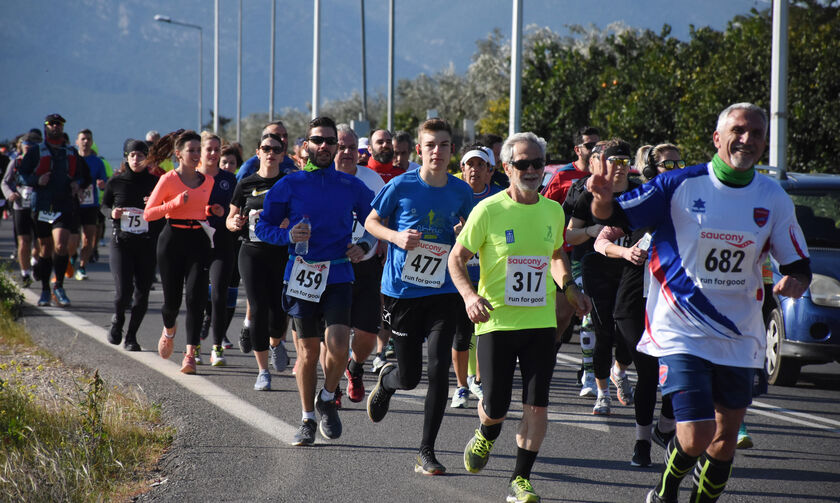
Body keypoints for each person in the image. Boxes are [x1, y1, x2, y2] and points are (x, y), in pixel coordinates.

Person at [590, 103, 811, 503]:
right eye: (738, 130)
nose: (747, 139)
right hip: (681, 329)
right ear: (717, 138)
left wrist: (795, 281)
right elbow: (618, 217)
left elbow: (796, 264)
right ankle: (665, 490)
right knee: (695, 434)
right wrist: (603, 200)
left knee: (725, 441)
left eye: (757, 133)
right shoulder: (679, 185)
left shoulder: (773, 197)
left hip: (740, 333)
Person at [449, 131, 591, 503]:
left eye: (537, 163)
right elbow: (456, 258)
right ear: (507, 168)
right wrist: (468, 296)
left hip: (540, 323)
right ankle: (485, 432)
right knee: (495, 406)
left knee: (537, 404)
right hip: (496, 321)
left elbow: (557, 254)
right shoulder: (489, 210)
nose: (531, 170)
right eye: (523, 164)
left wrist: (570, 288)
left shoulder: (552, 210)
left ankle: (520, 479)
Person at [256, 116, 376, 446]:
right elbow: (262, 227)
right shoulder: (289, 185)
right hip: (301, 274)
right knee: (308, 355)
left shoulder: (351, 186)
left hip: (338, 272)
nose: (324, 146)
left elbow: (375, 221)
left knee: (338, 346)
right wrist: (286, 234)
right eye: (317, 140)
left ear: (338, 146)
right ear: (305, 146)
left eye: (329, 141)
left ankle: (328, 396)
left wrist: (365, 245)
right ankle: (308, 418)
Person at [364, 117, 474, 475]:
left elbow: (472, 239)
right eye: (431, 146)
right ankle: (389, 380)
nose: (437, 152)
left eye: (444, 145)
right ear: (419, 150)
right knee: (410, 377)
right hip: (404, 291)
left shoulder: (461, 192)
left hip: (445, 290)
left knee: (439, 367)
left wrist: (463, 235)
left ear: (451, 151)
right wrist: (395, 238)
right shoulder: (400, 185)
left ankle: (426, 451)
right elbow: (371, 222)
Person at [592, 143, 683, 467]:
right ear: (650, 170)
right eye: (665, 164)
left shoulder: (687, 207)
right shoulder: (640, 205)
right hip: (634, 303)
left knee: (676, 373)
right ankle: (642, 443)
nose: (672, 169)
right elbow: (601, 241)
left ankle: (665, 427)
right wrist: (625, 252)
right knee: (647, 373)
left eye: (677, 163)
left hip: (673, 305)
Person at [569, 139, 640, 415]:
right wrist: (592, 231)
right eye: (614, 161)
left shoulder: (638, 192)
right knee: (603, 332)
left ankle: (619, 370)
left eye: (625, 161)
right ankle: (602, 393)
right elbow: (569, 234)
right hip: (597, 268)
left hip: (630, 269)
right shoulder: (590, 194)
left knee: (628, 336)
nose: (620, 167)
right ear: (603, 162)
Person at [144, 130, 214, 375]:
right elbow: (149, 214)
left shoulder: (208, 181)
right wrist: (174, 204)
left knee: (196, 300)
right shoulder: (168, 180)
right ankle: (169, 330)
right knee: (172, 302)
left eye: (198, 150)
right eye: (191, 150)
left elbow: (199, 206)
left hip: (199, 240)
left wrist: (209, 208)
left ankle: (190, 355)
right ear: (178, 154)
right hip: (172, 239)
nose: (196, 155)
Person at [227, 132, 291, 389]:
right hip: (252, 251)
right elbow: (230, 221)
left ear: (283, 154)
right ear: (258, 152)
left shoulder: (289, 183)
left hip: (281, 252)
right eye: (266, 148)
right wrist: (235, 222)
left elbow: (300, 214)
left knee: (279, 310)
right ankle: (262, 371)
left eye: (276, 149)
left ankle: (276, 342)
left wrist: (290, 222)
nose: (271, 153)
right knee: (258, 307)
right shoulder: (245, 183)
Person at [333, 123, 386, 403]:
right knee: (334, 336)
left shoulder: (373, 179)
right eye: (341, 147)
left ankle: (355, 367)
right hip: (330, 267)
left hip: (365, 264)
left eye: (352, 148)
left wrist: (371, 244)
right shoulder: (320, 180)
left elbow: (381, 218)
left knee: (366, 334)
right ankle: (334, 388)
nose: (347, 152)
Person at [18, 113, 91, 307]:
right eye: (52, 124)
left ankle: (58, 285)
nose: (55, 127)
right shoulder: (36, 152)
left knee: (60, 245)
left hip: (64, 205)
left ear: (63, 128)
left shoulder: (70, 152)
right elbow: (22, 175)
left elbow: (84, 176)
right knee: (46, 248)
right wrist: (36, 180)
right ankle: (44, 290)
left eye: (59, 124)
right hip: (41, 205)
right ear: (46, 127)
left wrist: (77, 184)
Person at [450, 143, 500, 409]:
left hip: (490, 276)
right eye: (470, 165)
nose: (475, 170)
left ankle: (478, 381)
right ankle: (460, 386)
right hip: (461, 276)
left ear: (490, 171)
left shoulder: (500, 198)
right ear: (462, 168)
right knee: (461, 334)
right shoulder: (451, 194)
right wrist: (454, 233)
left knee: (484, 333)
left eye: (481, 165)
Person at [100, 139, 158, 351]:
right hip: (121, 242)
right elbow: (104, 206)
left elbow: (164, 212)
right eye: (132, 155)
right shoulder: (116, 182)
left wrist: (154, 203)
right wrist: (111, 213)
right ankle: (118, 320)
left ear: (147, 158)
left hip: (146, 243)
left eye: (141, 155)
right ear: (126, 157)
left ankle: (132, 337)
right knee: (123, 291)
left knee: (142, 294)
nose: (136, 159)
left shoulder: (155, 183)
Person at [197, 131, 238, 366]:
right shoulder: (191, 178)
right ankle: (193, 347)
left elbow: (235, 211)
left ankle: (216, 347)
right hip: (195, 243)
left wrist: (227, 215)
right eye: (208, 149)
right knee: (197, 295)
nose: (213, 153)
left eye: (216, 149)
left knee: (219, 293)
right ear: (201, 152)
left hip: (222, 242)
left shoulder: (229, 180)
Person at [71, 129, 108, 280]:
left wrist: (101, 184)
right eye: (83, 139)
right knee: (72, 240)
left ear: (92, 143)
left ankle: (81, 267)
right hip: (73, 204)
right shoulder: (71, 159)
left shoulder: (97, 162)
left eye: (88, 139)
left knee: (89, 238)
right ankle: (72, 256)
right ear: (77, 142)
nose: (86, 142)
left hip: (91, 204)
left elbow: (104, 183)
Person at [2, 134, 38, 286]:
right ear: (20, 146)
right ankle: (25, 274)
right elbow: (4, 182)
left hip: (38, 206)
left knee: (40, 241)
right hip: (20, 205)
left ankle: (35, 261)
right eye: (25, 144)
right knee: (23, 240)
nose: (28, 146)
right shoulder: (15, 161)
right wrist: (10, 194)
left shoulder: (41, 161)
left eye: (31, 144)